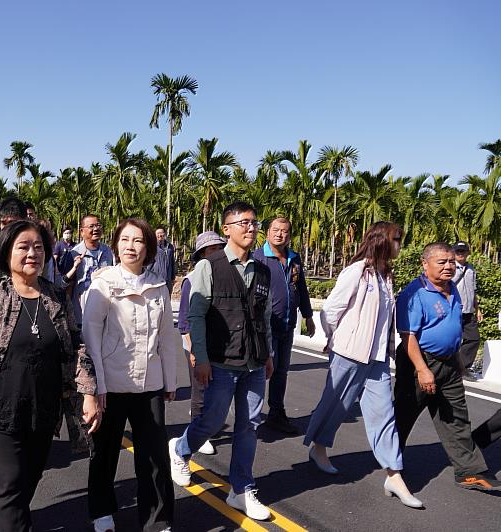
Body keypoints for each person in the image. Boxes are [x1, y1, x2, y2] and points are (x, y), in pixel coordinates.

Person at [0, 219, 100, 532]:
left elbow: (77, 345)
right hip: (0, 408)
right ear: (7, 253)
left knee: (29, 479)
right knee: (10, 483)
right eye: (24, 247)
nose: (33, 253)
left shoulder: (57, 298)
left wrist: (90, 392)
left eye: (39, 247)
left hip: (44, 408)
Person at [168, 201, 275, 521]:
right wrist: (199, 357)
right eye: (243, 223)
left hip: (253, 363)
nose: (251, 228)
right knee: (212, 421)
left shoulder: (263, 271)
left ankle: (241, 488)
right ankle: (181, 450)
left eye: (254, 222)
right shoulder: (208, 266)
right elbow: (196, 316)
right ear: (227, 229)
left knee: (249, 425)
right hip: (220, 361)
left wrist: (268, 353)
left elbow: (265, 317)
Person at [304, 222, 422, 508]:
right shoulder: (357, 271)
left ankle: (394, 474)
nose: (399, 245)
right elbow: (331, 310)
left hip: (377, 359)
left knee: (384, 415)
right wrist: (338, 340)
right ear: (382, 240)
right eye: (396, 239)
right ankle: (318, 447)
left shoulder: (386, 276)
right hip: (348, 352)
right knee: (335, 405)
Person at [83, 218, 178, 532]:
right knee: (105, 453)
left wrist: (170, 380)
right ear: (116, 245)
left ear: (148, 247)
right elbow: (91, 335)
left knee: (153, 458)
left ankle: (157, 519)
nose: (130, 247)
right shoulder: (103, 283)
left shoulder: (158, 286)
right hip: (111, 383)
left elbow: (166, 336)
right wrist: (97, 385)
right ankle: (101, 512)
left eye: (138, 241)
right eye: (125, 240)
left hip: (149, 385)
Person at [394, 242, 501, 491]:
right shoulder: (414, 294)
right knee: (404, 414)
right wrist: (422, 369)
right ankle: (391, 463)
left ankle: (470, 472)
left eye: (451, 261)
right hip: (420, 361)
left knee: (456, 418)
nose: (448, 266)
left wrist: (458, 360)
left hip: (450, 363)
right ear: (425, 264)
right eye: (441, 262)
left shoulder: (452, 287)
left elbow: (453, 327)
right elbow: (408, 337)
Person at [253, 217, 315, 434]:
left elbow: (302, 288)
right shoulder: (258, 259)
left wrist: (307, 315)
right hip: (265, 328)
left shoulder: (294, 258)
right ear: (267, 232)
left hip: (287, 326)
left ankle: (276, 414)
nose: (280, 234)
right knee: (262, 372)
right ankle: (250, 417)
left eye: (285, 231)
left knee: (281, 371)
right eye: (276, 230)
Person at [177, 231, 227, 455]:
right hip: (197, 345)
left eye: (219, 249)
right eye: (211, 250)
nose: (216, 253)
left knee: (214, 391)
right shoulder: (192, 279)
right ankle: (195, 434)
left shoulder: (225, 275)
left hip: (219, 345)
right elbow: (185, 321)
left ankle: (204, 426)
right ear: (202, 254)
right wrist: (194, 350)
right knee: (200, 391)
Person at [59, 214, 114, 325]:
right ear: (82, 231)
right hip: (81, 314)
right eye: (91, 226)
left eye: (98, 225)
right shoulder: (74, 254)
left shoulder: (108, 251)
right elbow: (67, 285)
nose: (96, 229)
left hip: (105, 312)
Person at [452, 241, 482, 378]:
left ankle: (462, 367)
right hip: (454, 310)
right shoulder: (450, 267)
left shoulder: (471, 269)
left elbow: (473, 291)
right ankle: (449, 368)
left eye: (463, 251)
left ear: (467, 253)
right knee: (452, 340)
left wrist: (477, 309)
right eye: (458, 251)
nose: (460, 254)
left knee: (474, 339)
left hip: (469, 311)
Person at [155, 226, 176, 290]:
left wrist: (173, 277)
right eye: (158, 233)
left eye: (161, 233)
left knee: (167, 298)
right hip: (156, 279)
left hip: (168, 279)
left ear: (165, 234)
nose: (160, 235)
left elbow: (172, 262)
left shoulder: (170, 247)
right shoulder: (153, 247)